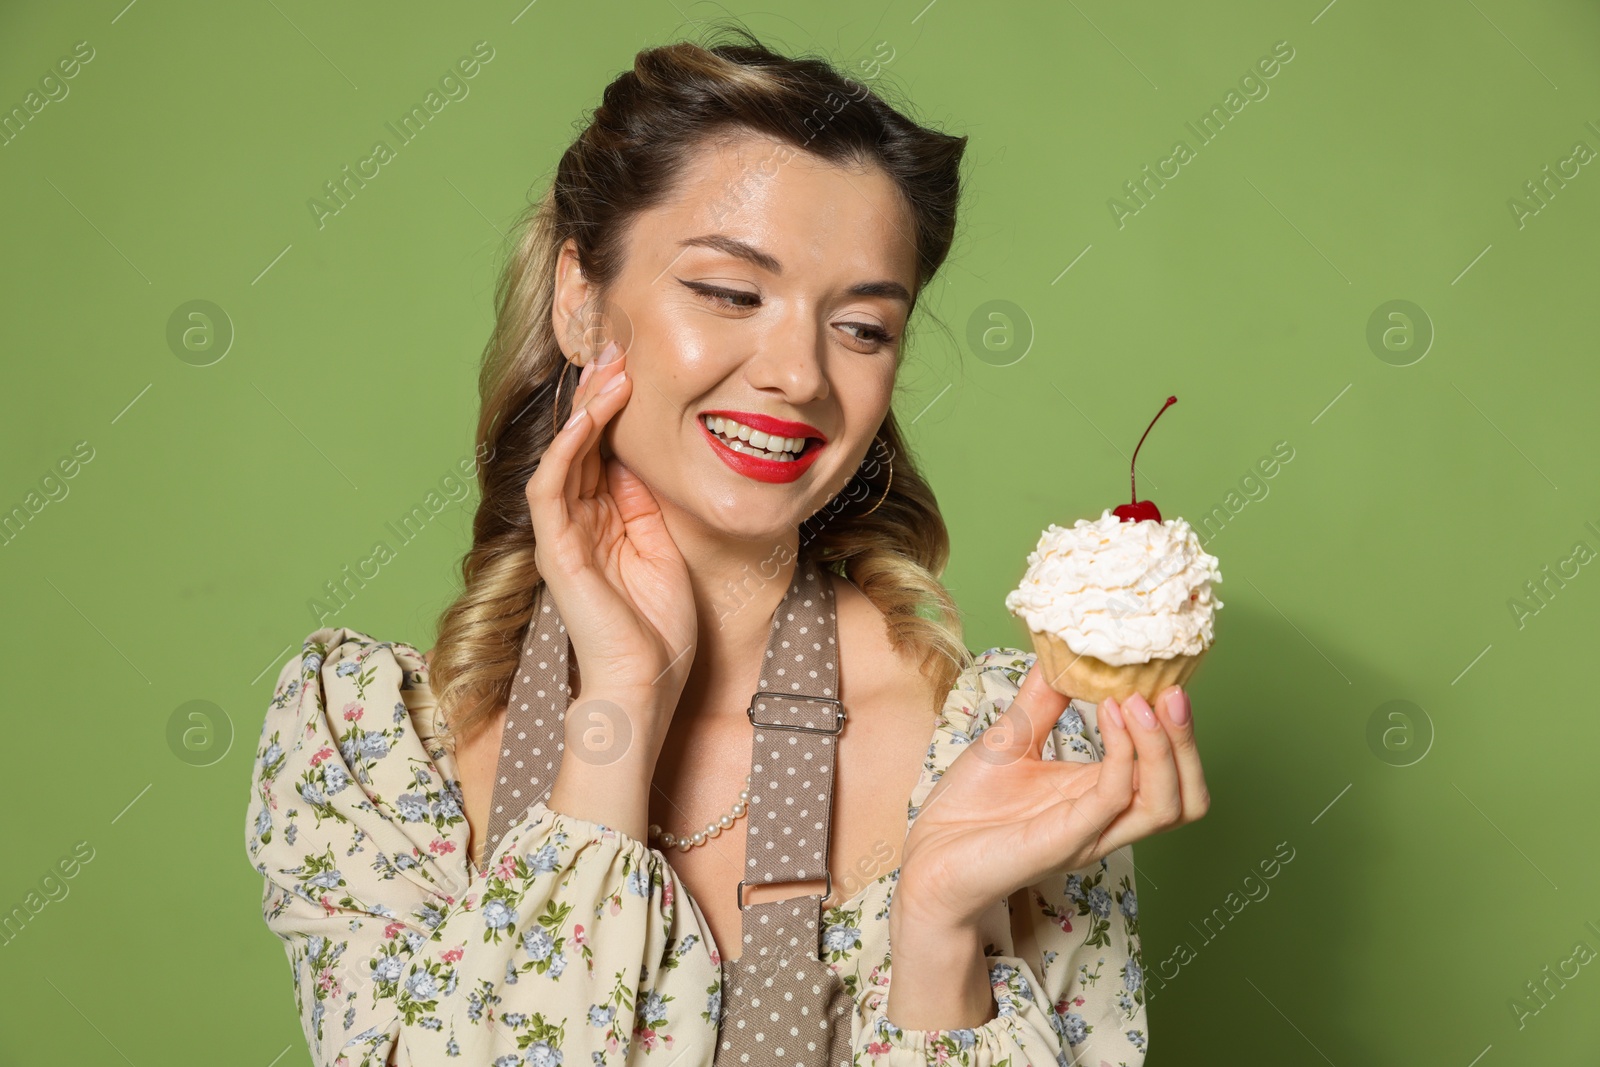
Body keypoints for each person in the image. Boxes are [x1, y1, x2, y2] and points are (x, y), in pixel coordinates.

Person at [244, 24, 1209, 1067]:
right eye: (730, 292)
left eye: (862, 327)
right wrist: (617, 700)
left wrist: (936, 933)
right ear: (581, 300)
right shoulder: (370, 749)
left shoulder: (1006, 748)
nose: (797, 371)